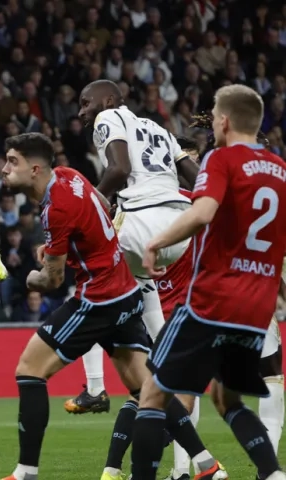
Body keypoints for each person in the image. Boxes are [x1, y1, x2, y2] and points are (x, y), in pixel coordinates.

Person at [0, 133, 224, 480]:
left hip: (99, 298)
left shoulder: (56, 206)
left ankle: (25, 472)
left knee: (29, 370)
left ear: (35, 168)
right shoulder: (70, 176)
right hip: (126, 291)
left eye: (12, 162)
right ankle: (207, 465)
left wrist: (27, 276)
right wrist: (69, 247)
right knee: (147, 389)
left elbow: (52, 282)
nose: (4, 169)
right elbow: (102, 207)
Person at [132, 85, 286, 480]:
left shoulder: (221, 158)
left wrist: (157, 242)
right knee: (226, 398)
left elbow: (202, 212)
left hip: (212, 298)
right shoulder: (280, 172)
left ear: (227, 121)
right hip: (256, 308)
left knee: (152, 393)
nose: (214, 120)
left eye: (216, 114)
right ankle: (273, 475)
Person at [64, 79, 202, 416]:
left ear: (109, 100)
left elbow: (119, 169)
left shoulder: (108, 118)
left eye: (86, 103)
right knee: (140, 284)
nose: (82, 112)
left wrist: (90, 203)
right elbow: (196, 177)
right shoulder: (157, 127)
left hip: (143, 221)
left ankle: (95, 388)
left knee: (87, 280)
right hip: (177, 232)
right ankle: (167, 356)